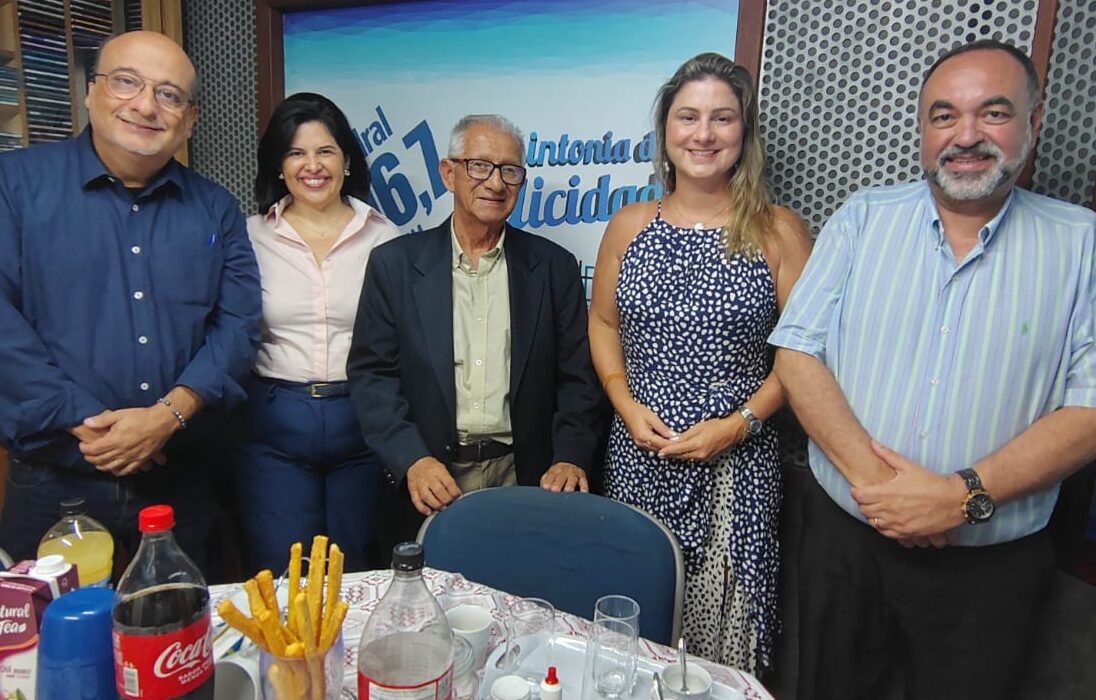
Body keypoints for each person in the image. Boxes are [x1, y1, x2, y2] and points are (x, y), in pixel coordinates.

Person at [769, 39, 1096, 700]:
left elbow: (1090, 405)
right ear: (922, 130)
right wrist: (885, 492)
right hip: (845, 548)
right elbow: (798, 353)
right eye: (944, 116)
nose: (966, 135)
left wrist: (958, 496)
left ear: (1033, 123)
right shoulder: (863, 219)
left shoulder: (1082, 244)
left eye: (993, 113)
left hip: (988, 573)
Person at [0, 31, 261, 573]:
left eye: (168, 95)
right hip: (53, 482)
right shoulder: (15, 186)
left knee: (184, 640)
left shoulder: (215, 208)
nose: (145, 105)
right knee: (44, 650)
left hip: (178, 479)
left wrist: (166, 417)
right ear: (90, 93)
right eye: (126, 82)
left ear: (189, 119)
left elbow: (237, 324)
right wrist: (87, 420)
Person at [588, 53, 811, 671]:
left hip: (735, 467)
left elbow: (803, 354)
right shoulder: (628, 225)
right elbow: (603, 322)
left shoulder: (779, 231)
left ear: (745, 133)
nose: (703, 134)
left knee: (717, 645)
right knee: (631, 626)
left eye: (722, 118)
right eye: (687, 117)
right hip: (639, 453)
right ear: (665, 131)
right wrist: (624, 403)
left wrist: (741, 423)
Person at [347, 114, 604, 548]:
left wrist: (570, 458)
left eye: (510, 170)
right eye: (480, 165)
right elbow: (372, 377)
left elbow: (579, 378)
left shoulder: (553, 268)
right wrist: (412, 460)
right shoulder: (394, 266)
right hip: (432, 479)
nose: (496, 183)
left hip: (525, 478)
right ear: (449, 173)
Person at [231, 93, 398, 573]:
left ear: (347, 161)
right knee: (282, 571)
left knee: (356, 567)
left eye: (325, 151)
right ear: (278, 165)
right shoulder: (248, 237)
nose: (312, 166)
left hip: (361, 421)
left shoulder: (386, 238)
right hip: (272, 424)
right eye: (296, 152)